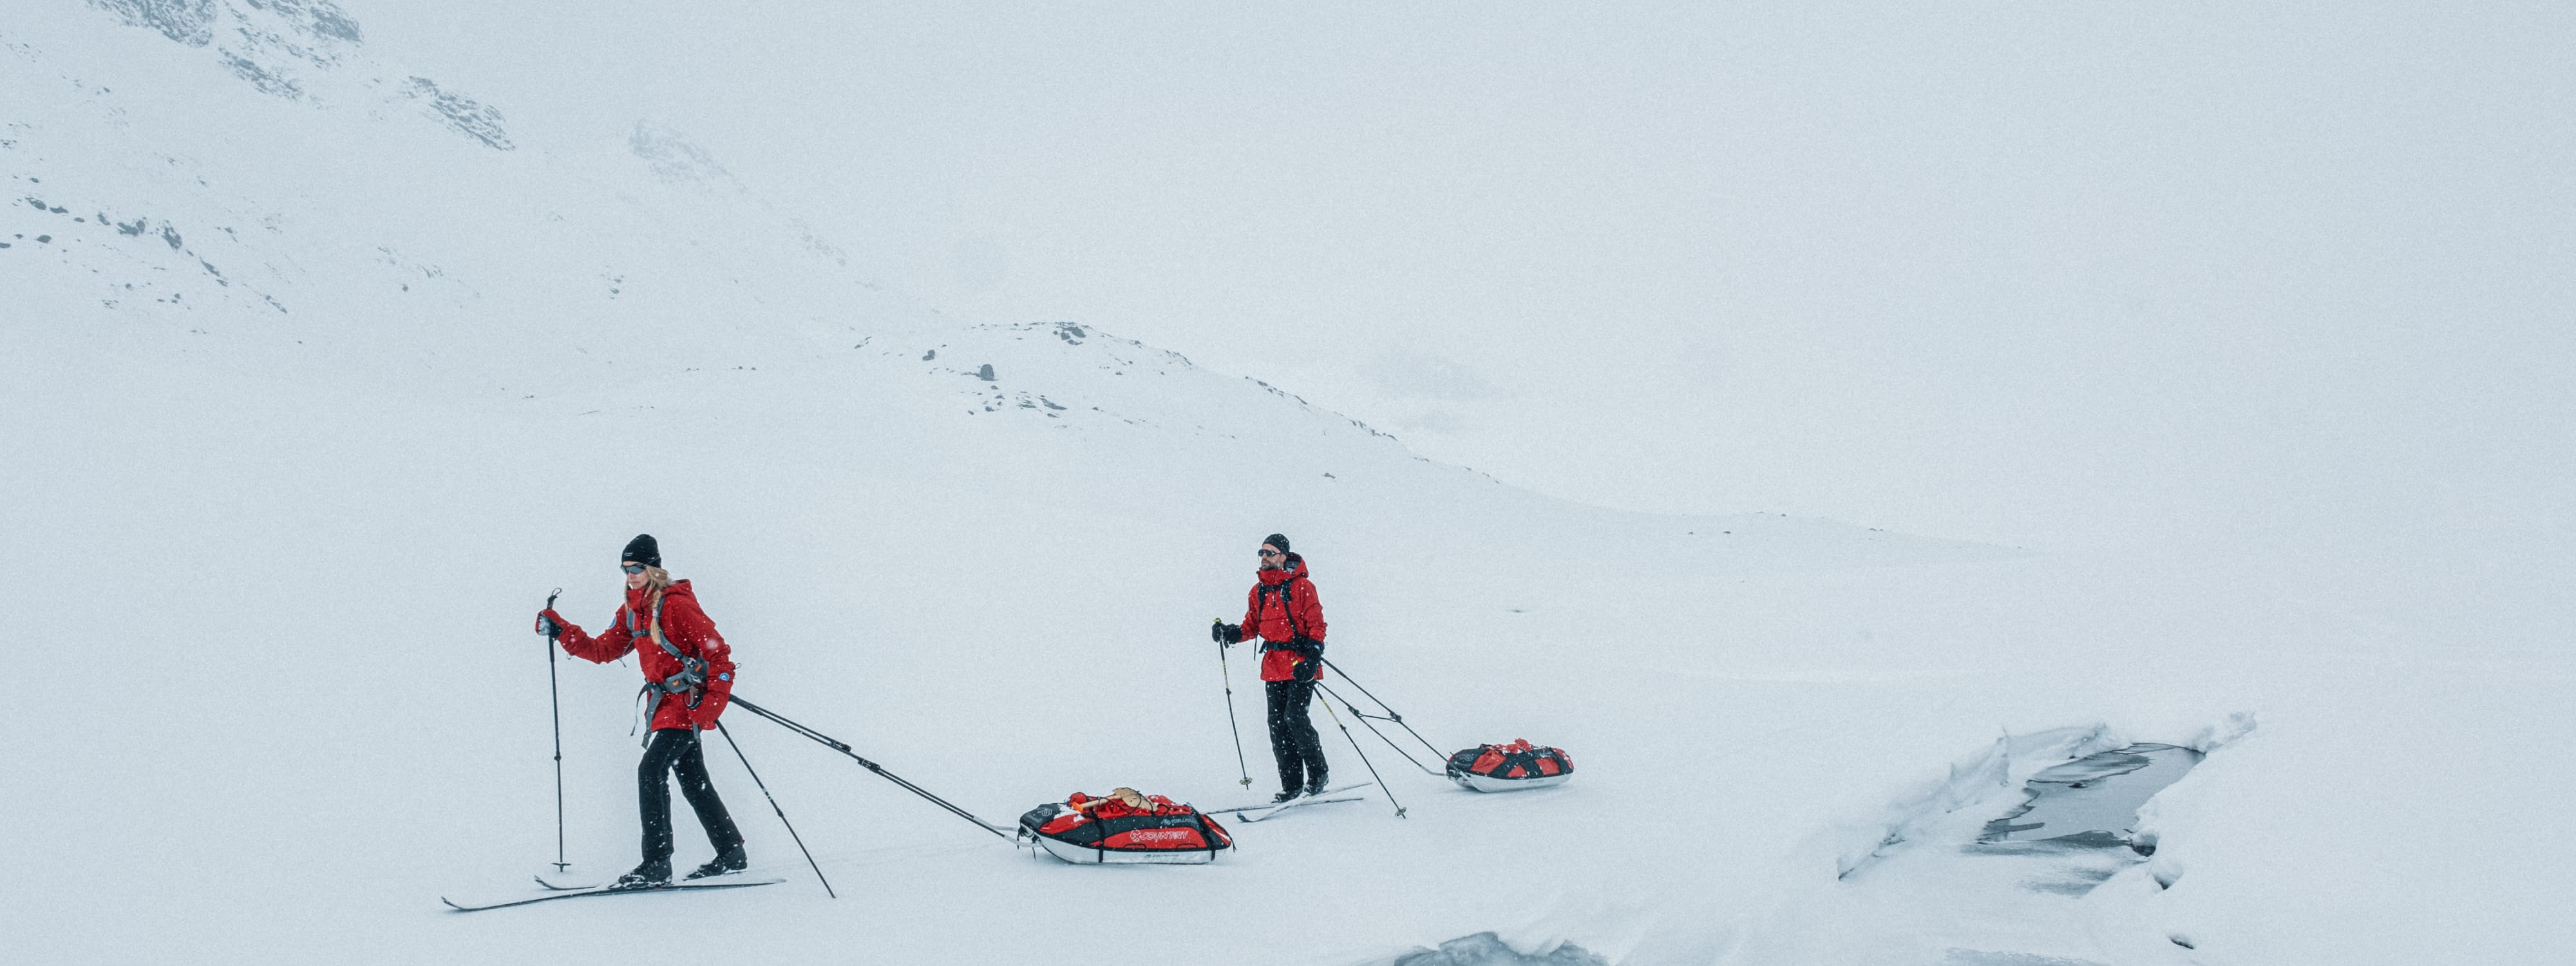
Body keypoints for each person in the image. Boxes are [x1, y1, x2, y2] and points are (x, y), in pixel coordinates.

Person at [536, 534, 747, 888]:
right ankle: (730, 852)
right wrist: (562, 632)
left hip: (686, 706)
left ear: (654, 568)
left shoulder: (676, 606)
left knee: (651, 771)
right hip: (663, 707)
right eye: (625, 568)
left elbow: (719, 655)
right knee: (693, 781)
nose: (630, 574)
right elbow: (604, 650)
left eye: (637, 568)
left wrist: (709, 708)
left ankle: (656, 864)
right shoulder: (632, 611)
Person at [1211, 533, 1329, 802]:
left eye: (1270, 552)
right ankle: (1291, 786)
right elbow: (1251, 626)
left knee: (1295, 718)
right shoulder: (1258, 591)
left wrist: (1312, 657)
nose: (1264, 557)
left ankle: (1319, 774)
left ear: (1283, 557)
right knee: (1277, 725)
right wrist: (1229, 633)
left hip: (1300, 665)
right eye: (1261, 553)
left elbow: (1317, 625)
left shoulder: (1303, 587)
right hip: (1274, 667)